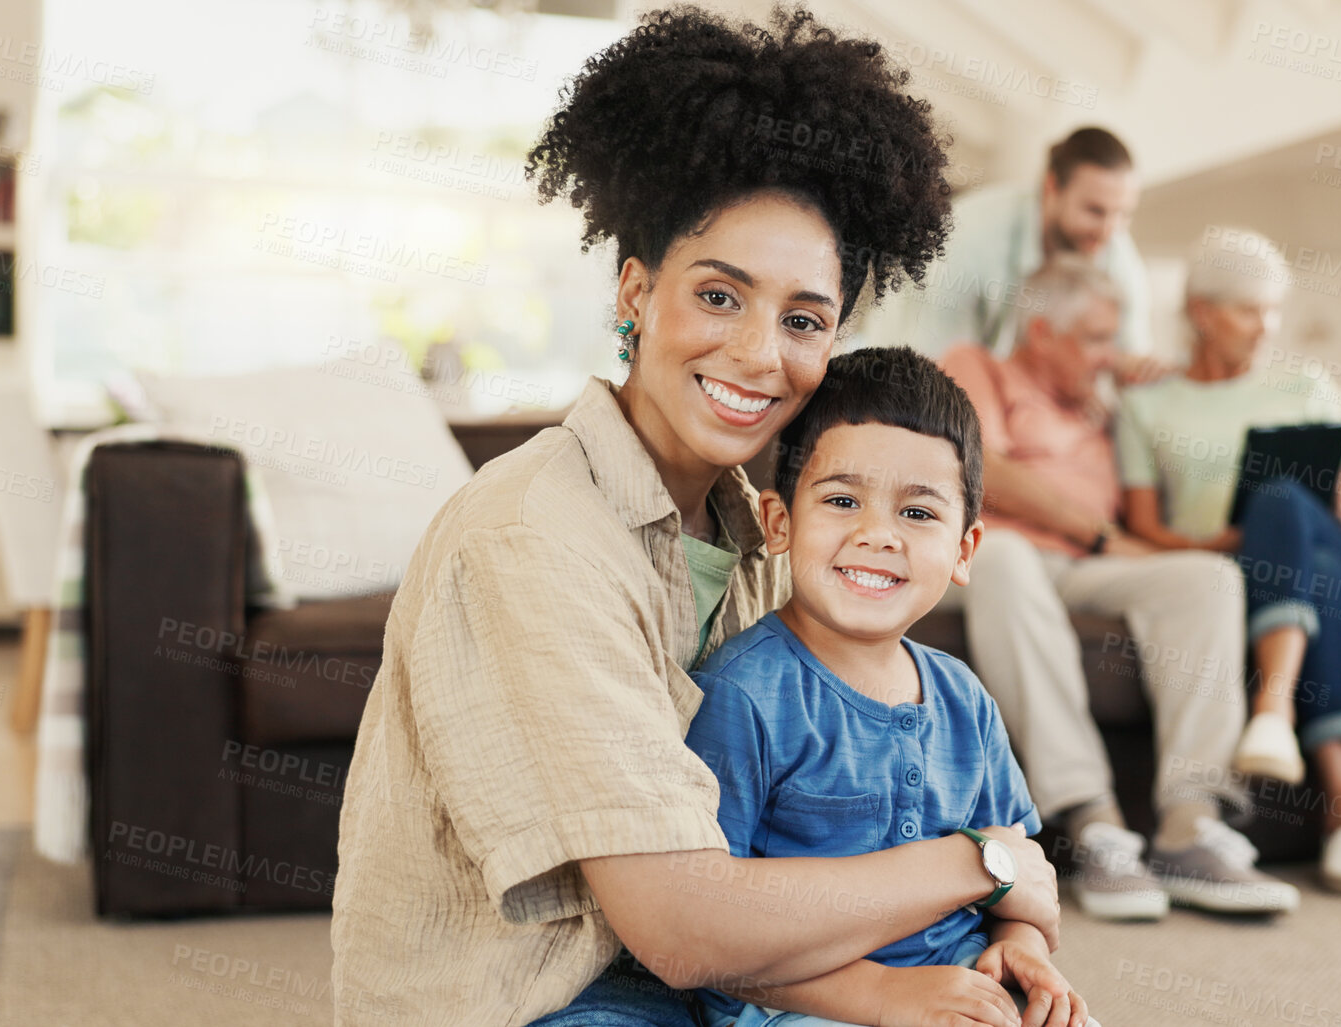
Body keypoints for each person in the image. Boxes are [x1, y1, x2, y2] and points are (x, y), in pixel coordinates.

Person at [329, 11, 1064, 1027]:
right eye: (721, 296)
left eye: (804, 319)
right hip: (545, 1000)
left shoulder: (762, 531)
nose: (764, 354)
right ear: (636, 291)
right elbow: (682, 927)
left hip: (730, 985)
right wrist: (983, 860)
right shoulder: (533, 535)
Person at [683, 346, 1091, 1027]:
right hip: (800, 1005)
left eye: (918, 513)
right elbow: (711, 934)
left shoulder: (964, 698)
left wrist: (1022, 952)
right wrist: (884, 996)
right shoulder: (744, 693)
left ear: (964, 549)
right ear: (779, 522)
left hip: (964, 982)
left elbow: (1017, 880)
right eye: (842, 500)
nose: (877, 534)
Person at [938, 257, 1300, 922]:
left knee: (1207, 580)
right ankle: (1093, 820)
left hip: (1083, 569)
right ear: (1043, 332)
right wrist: (1096, 531)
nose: (1113, 354)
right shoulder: (977, 367)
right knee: (1006, 555)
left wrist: (1150, 389)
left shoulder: (1103, 403)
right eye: (1098, 338)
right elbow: (974, 465)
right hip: (994, 557)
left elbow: (1149, 491)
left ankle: (1188, 824)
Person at [1115, 227, 1341, 895]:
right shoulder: (1145, 403)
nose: (1265, 327)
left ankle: (1272, 705)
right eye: (1246, 310)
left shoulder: (1305, 383)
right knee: (1302, 560)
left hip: (1332, 550)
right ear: (1202, 312)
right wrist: (1229, 544)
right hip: (1238, 572)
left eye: (1272, 310)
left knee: (1285, 505)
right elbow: (1144, 524)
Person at [864, 127, 1160, 381]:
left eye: (1123, 214)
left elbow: (1130, 356)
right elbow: (937, 364)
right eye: (1094, 211)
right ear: (1051, 187)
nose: (1109, 231)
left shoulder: (1116, 253)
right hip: (893, 370)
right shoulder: (972, 235)